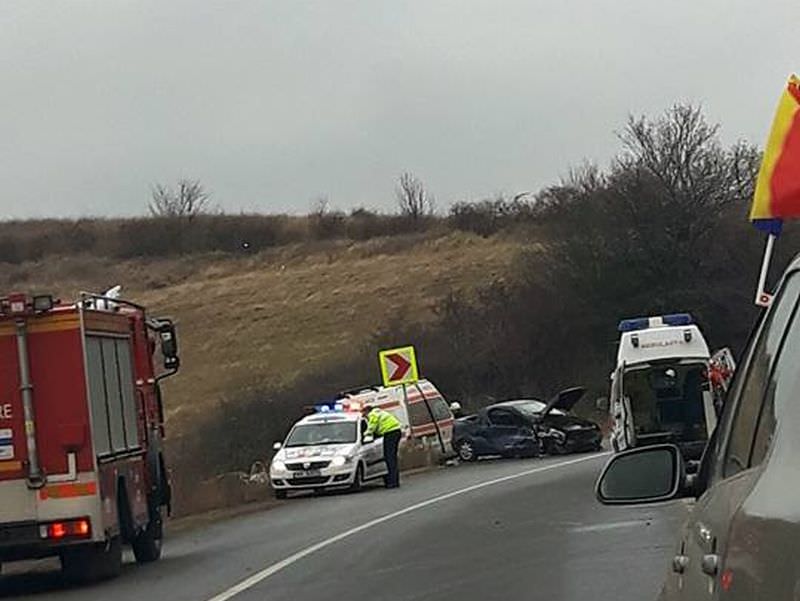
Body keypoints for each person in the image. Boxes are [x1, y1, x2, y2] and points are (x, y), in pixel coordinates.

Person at [362, 403, 403, 489]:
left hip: (390, 433)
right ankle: (394, 480)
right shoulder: (380, 412)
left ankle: (393, 482)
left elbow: (372, 426)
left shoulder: (373, 414)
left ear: (367, 411)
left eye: (364, 414)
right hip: (395, 432)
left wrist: (364, 435)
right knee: (392, 458)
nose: (365, 416)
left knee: (389, 458)